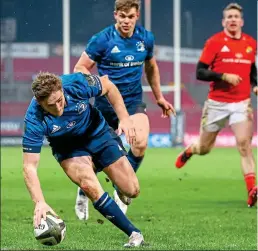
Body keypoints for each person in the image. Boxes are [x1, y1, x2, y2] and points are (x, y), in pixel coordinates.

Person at [73, 0, 175, 219]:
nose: (126, 21)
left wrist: (159, 97)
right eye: (122, 16)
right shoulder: (102, 39)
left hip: (132, 103)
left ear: (137, 16)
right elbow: (79, 67)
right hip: (104, 104)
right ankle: (84, 189)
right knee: (95, 158)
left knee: (140, 143)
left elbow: (151, 66)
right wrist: (99, 84)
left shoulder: (146, 38)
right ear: (115, 15)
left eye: (130, 16)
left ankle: (121, 189)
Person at [22, 71, 145, 247]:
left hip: (97, 132)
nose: (58, 108)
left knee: (132, 190)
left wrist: (124, 118)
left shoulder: (75, 83)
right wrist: (39, 202)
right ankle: (134, 233)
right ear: (40, 103)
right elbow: (29, 167)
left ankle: (115, 184)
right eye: (51, 105)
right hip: (68, 148)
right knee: (89, 185)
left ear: (62, 90)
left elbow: (108, 86)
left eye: (59, 100)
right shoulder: (34, 118)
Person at [175, 3, 257, 207]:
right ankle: (190, 150)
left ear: (241, 21)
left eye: (236, 16)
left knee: (244, 145)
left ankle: (252, 190)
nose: (232, 19)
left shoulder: (250, 43)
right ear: (224, 21)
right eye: (229, 16)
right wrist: (223, 76)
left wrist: (255, 84)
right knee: (204, 148)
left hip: (241, 103)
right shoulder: (215, 42)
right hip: (217, 104)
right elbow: (200, 72)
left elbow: (251, 69)